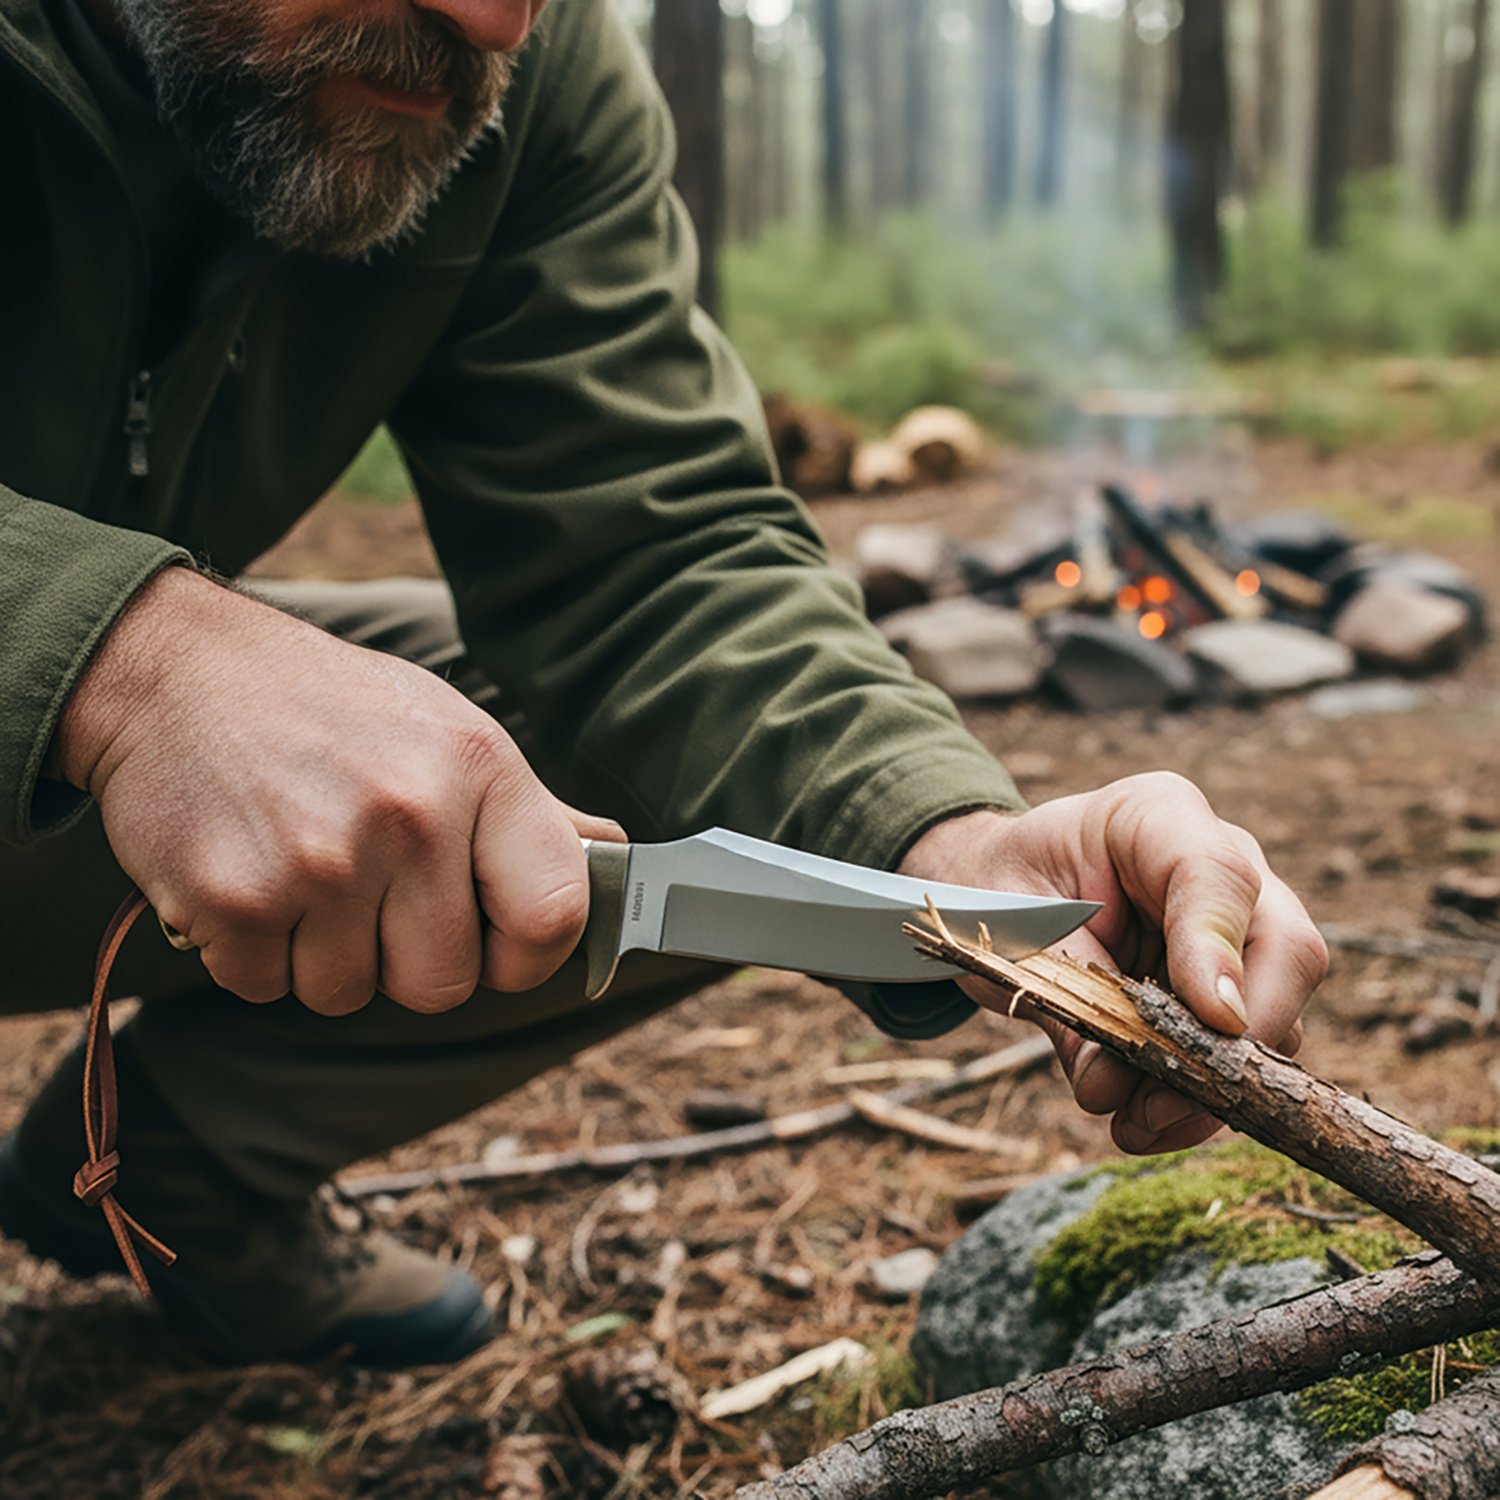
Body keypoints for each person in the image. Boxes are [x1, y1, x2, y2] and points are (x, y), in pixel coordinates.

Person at [0, 0, 1327, 1368]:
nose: (494, 20)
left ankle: (177, 1157)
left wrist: (944, 846)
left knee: (615, 773)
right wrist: (123, 659)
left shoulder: (528, 63)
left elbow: (649, 548)